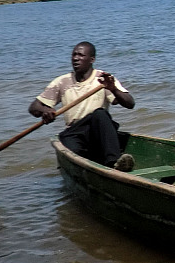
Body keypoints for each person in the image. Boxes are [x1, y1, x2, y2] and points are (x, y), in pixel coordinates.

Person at [29, 41, 136, 171]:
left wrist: (113, 89)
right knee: (71, 148)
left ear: (92, 59)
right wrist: (46, 110)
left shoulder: (104, 79)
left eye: (80, 55)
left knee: (100, 114)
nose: (75, 58)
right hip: (75, 131)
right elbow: (34, 107)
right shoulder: (62, 81)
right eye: (74, 55)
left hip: (98, 131)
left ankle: (114, 163)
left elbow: (130, 103)